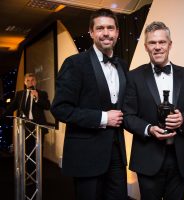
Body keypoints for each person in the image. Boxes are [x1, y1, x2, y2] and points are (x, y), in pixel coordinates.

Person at [50, 8, 128, 200]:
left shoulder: (123, 65)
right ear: (91, 32)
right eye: (100, 28)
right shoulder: (75, 63)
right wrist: (103, 118)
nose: (106, 33)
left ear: (117, 32)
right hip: (86, 156)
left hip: (117, 154)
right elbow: (60, 109)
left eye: (110, 28)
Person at [123, 21, 184, 200]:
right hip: (147, 159)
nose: (157, 47)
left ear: (170, 44)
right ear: (145, 47)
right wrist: (149, 129)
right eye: (152, 43)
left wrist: (183, 120)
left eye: (162, 42)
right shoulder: (133, 77)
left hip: (180, 160)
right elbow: (127, 116)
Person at [3, 72, 50, 186]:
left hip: (37, 128)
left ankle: (37, 178)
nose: (30, 82)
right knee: (26, 153)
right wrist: (3, 116)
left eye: (32, 80)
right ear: (24, 82)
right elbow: (11, 108)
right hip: (24, 128)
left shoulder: (42, 93)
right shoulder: (20, 94)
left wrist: (37, 98)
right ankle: (28, 177)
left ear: (36, 81)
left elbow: (47, 106)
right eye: (28, 81)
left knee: (37, 153)